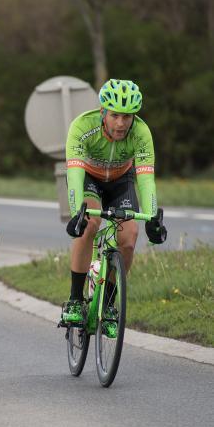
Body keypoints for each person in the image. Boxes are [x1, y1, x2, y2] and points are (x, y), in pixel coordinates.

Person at [61, 79, 167, 325]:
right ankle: (75, 299)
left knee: (129, 237)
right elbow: (74, 174)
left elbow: (146, 179)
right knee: (90, 223)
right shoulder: (82, 127)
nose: (121, 123)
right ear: (103, 113)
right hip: (88, 178)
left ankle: (108, 303)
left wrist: (152, 216)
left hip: (121, 180)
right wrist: (78, 212)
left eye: (127, 117)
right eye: (115, 116)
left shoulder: (141, 133)